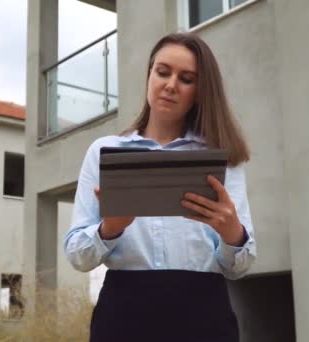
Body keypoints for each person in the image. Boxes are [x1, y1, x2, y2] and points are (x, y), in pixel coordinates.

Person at [63, 32, 256, 342]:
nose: (170, 84)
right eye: (162, 72)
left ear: (200, 90)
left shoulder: (222, 158)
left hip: (204, 315)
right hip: (124, 315)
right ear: (149, 74)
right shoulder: (104, 151)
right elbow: (77, 256)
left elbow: (239, 267)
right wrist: (109, 228)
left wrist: (232, 233)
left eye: (186, 78)